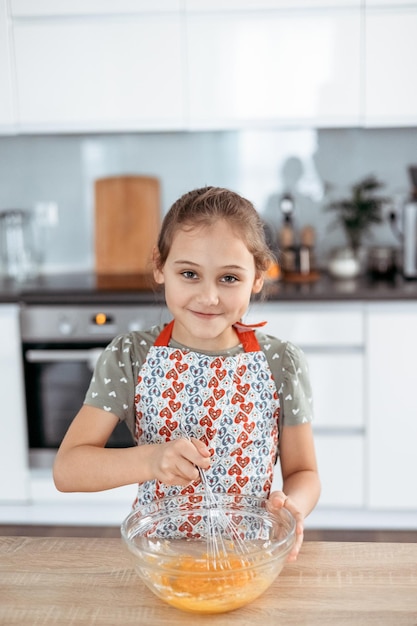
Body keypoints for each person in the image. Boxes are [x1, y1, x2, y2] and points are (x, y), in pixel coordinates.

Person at [53, 186, 320, 561]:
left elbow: (304, 470)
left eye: (229, 278)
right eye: (190, 273)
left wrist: (293, 504)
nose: (208, 297)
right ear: (160, 265)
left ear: (258, 277)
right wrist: (149, 460)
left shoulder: (282, 362)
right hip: (163, 556)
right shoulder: (131, 356)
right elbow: (68, 470)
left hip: (249, 557)